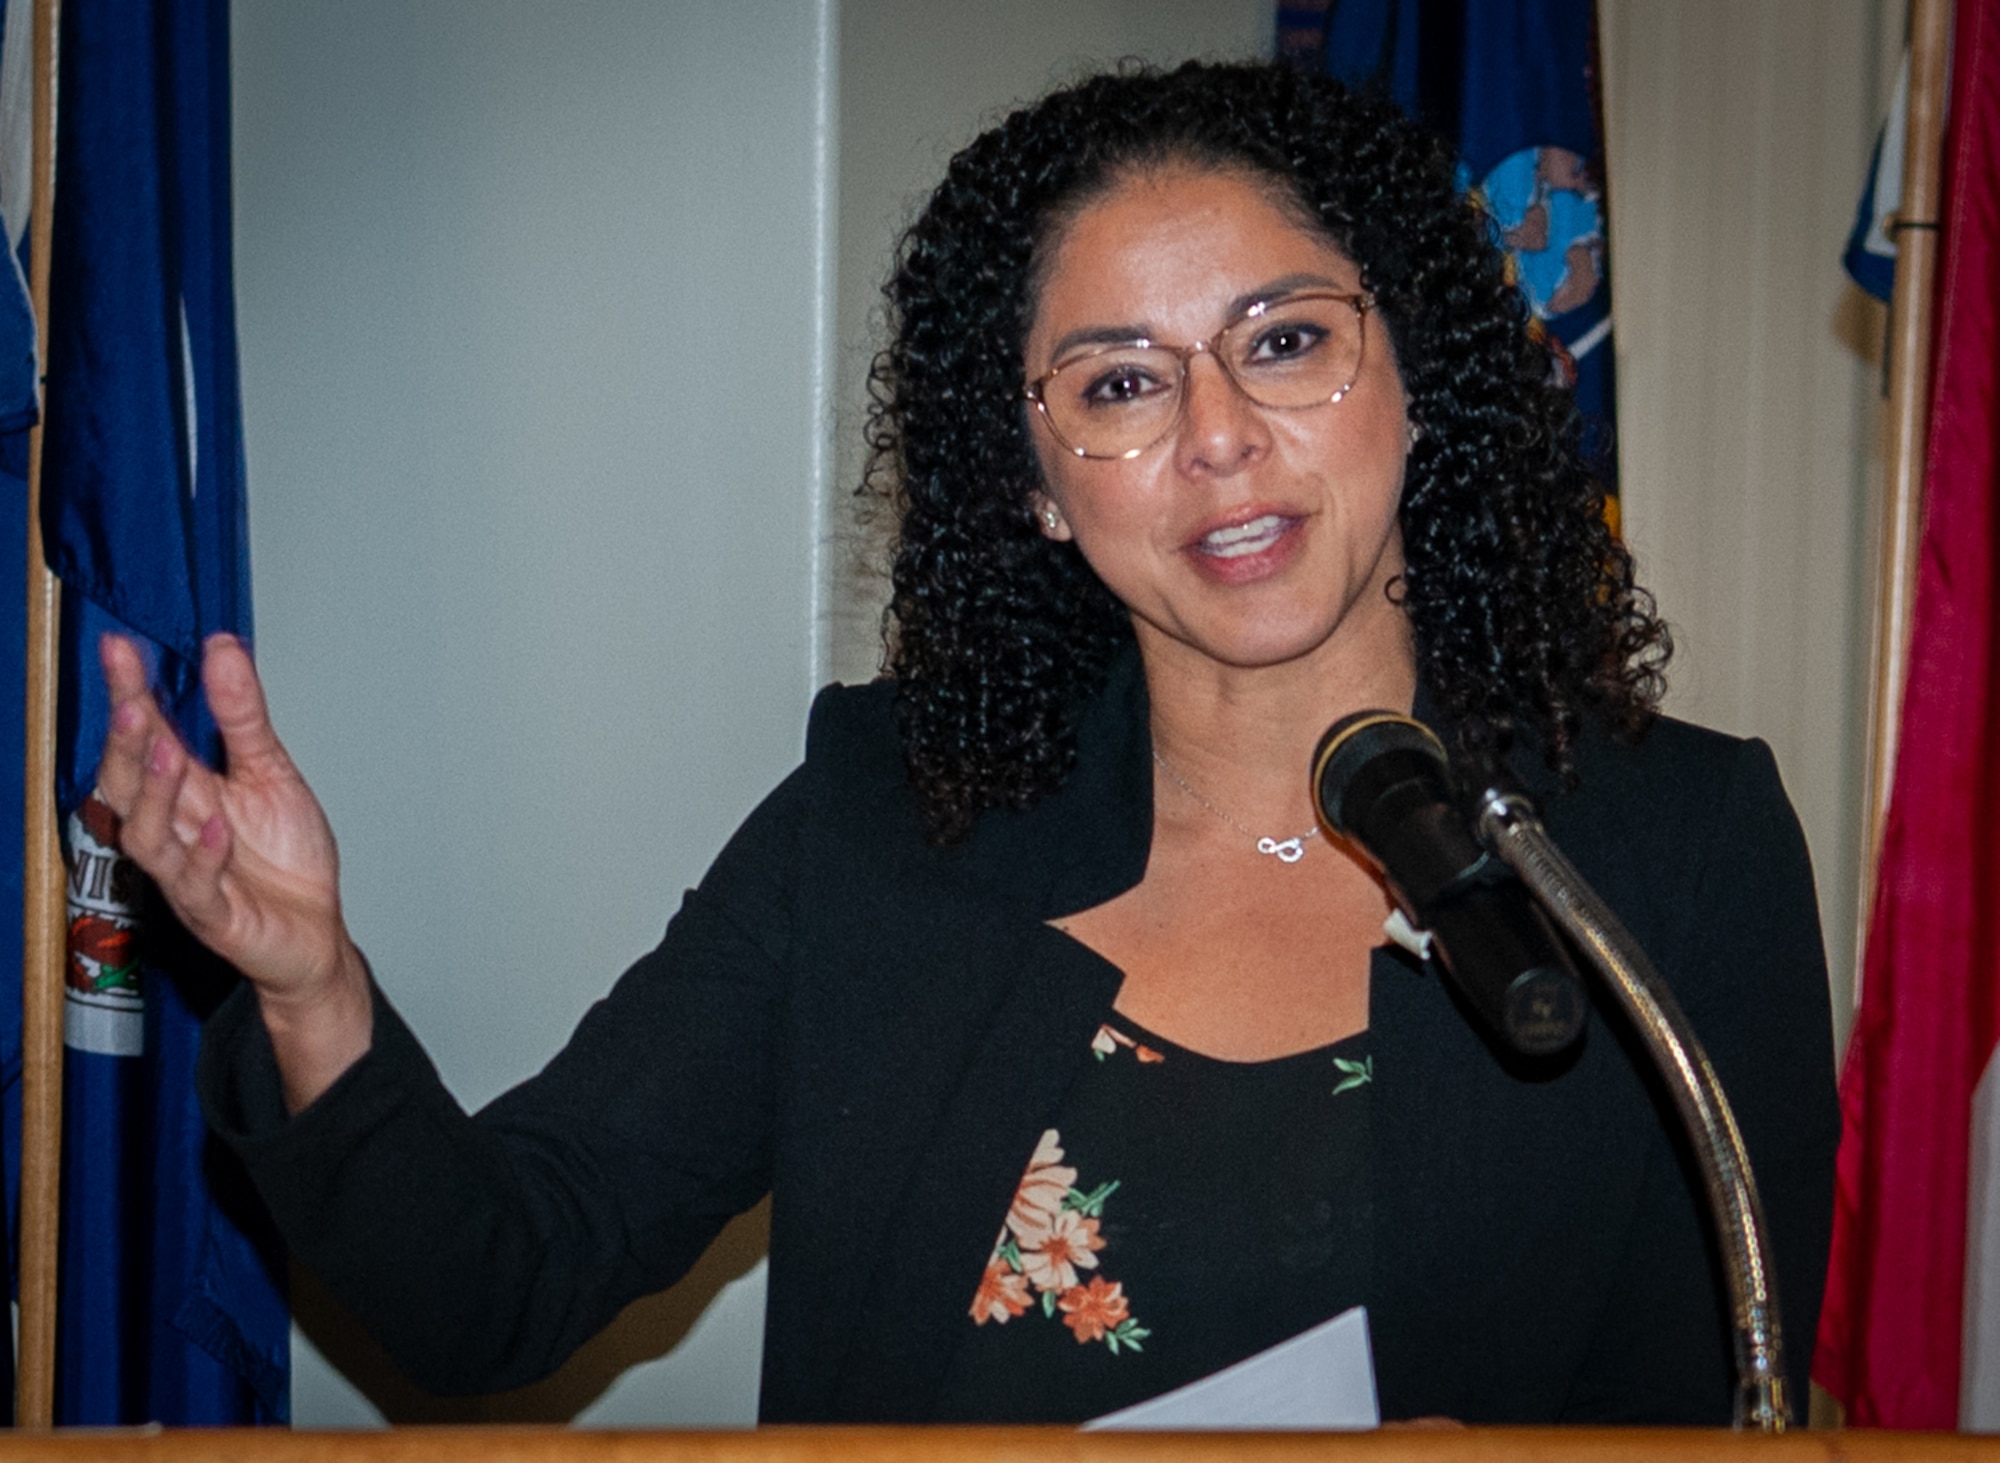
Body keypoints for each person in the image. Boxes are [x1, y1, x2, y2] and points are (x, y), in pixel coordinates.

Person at [93, 60, 1838, 1426]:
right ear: (1040, 488)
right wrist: (311, 985)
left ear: (1414, 381)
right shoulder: (888, 816)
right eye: (1120, 383)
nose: (1219, 438)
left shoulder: (1675, 850)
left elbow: (1703, 1403)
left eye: (1286, 343)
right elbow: (495, 1288)